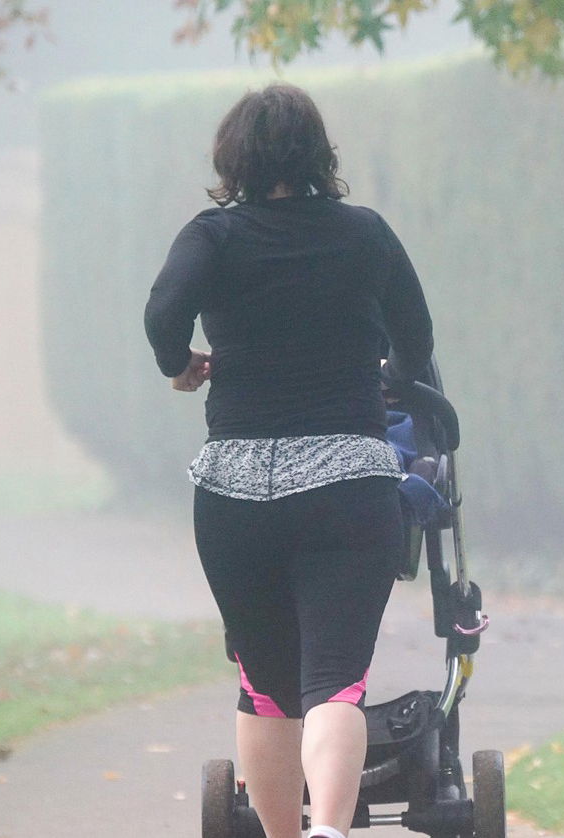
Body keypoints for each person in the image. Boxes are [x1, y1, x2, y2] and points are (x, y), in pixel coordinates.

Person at [143, 82, 434, 838]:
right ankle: (331, 834)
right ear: (317, 154)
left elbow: (162, 312)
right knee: (336, 683)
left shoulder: (212, 236)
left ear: (233, 157)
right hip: (347, 483)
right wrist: (392, 378)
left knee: (267, 689)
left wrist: (180, 363)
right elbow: (418, 337)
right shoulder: (365, 233)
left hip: (235, 494)